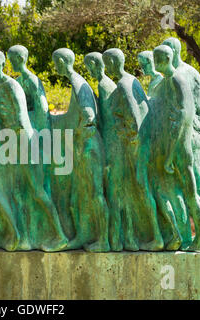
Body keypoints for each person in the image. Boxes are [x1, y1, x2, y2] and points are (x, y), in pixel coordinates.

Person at [0, 50, 68, 251]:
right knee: (19, 192)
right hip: (11, 143)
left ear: (3, 63)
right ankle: (23, 237)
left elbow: (24, 117)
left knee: (37, 191)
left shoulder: (14, 86)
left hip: (25, 142)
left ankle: (60, 235)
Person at [103, 48, 163, 251]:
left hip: (135, 145)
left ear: (112, 63)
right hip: (143, 141)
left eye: (107, 62)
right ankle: (148, 235)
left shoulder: (123, 84)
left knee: (141, 188)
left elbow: (133, 115)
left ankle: (156, 236)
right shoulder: (132, 80)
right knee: (141, 188)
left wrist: (130, 135)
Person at [52, 48, 110, 252]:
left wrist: (77, 133)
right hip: (80, 147)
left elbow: (88, 117)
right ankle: (82, 234)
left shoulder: (78, 84)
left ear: (61, 61)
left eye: (55, 62)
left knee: (95, 194)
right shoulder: (77, 82)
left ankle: (104, 239)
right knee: (77, 196)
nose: (54, 66)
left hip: (89, 147)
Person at [153, 44, 200, 251]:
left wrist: (169, 155)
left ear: (164, 59)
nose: (155, 63)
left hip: (181, 148)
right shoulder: (169, 80)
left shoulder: (177, 79)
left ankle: (199, 239)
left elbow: (183, 118)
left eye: (156, 58)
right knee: (188, 194)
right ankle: (189, 238)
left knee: (191, 195)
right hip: (177, 147)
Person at [162, 38, 200, 227]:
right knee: (187, 185)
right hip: (182, 136)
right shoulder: (174, 75)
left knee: (197, 184)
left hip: (190, 136)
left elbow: (197, 111)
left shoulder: (184, 74)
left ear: (174, 51)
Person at [84, 52, 122, 251]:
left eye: (88, 66)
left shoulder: (104, 85)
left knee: (108, 196)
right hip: (109, 145)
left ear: (94, 65)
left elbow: (110, 119)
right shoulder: (104, 85)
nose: (88, 70)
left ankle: (108, 241)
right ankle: (113, 240)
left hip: (109, 147)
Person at [7, 44, 52, 197]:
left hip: (36, 134)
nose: (10, 63)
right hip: (22, 134)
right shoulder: (17, 81)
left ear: (20, 59)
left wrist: (41, 137)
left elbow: (43, 109)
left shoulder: (32, 81)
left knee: (41, 182)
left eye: (12, 60)